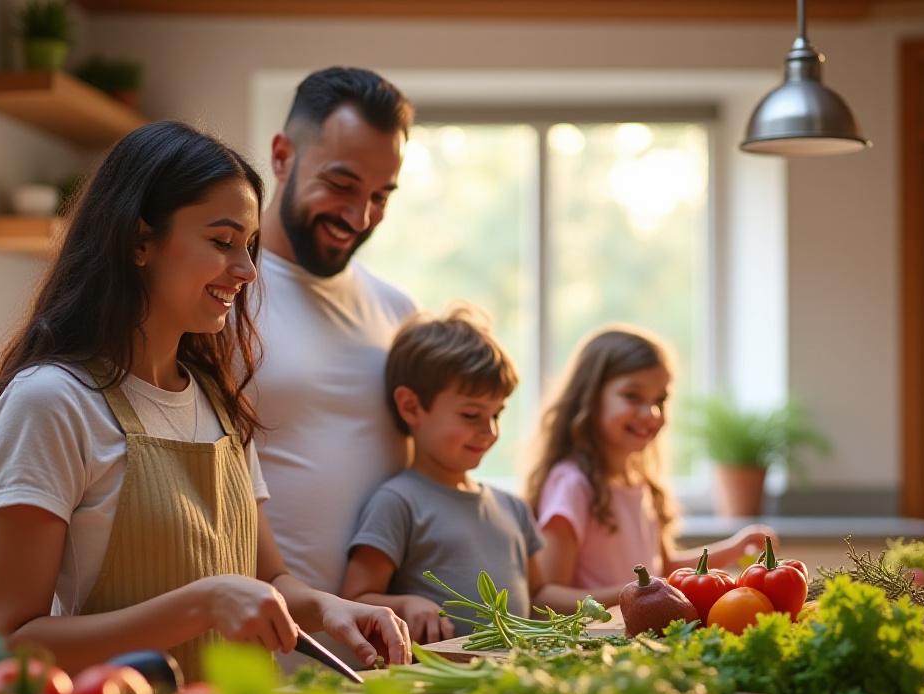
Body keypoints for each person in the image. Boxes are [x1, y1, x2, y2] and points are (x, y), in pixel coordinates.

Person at [0, 121, 408, 681]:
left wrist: (329, 608)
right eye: (223, 242)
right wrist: (200, 605)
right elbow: (8, 644)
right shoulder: (50, 403)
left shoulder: (218, 400)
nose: (247, 271)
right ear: (138, 241)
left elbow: (268, 579)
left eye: (249, 246)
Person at [340, 310, 631, 644]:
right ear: (411, 407)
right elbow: (355, 600)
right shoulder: (398, 502)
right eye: (471, 415)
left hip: (510, 680)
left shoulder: (512, 508)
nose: (490, 431)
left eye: (497, 414)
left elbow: (540, 596)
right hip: (436, 683)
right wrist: (406, 604)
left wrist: (624, 595)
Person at [251, 67, 416, 596]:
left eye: (381, 196)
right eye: (341, 184)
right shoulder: (220, 298)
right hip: (249, 656)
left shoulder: (399, 312)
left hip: (378, 659)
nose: (359, 216)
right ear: (282, 157)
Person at [526, 326, 776, 590]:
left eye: (660, 399)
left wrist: (733, 549)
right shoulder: (572, 484)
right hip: (598, 632)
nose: (651, 413)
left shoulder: (641, 484)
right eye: (632, 396)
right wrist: (638, 592)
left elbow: (663, 571)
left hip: (637, 632)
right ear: (589, 397)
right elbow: (547, 598)